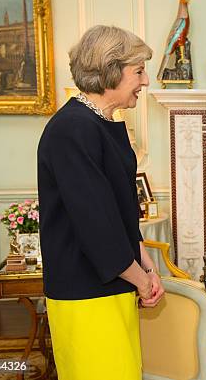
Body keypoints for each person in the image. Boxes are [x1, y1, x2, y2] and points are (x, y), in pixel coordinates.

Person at [38, 25, 164, 380]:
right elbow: (94, 223)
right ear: (110, 71)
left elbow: (118, 206)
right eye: (138, 71)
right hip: (85, 289)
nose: (146, 81)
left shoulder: (100, 123)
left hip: (111, 281)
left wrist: (143, 259)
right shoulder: (73, 129)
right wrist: (140, 280)